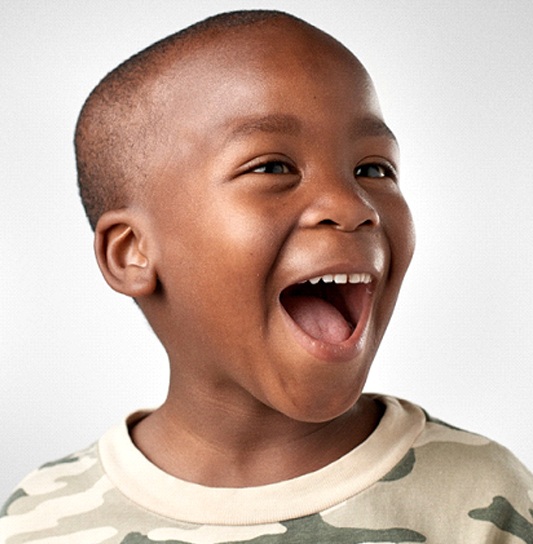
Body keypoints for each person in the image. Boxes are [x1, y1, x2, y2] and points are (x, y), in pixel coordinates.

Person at [1, 9, 531, 543]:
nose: (352, 206)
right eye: (273, 167)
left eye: (374, 169)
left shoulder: (487, 498)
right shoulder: (40, 516)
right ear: (132, 252)